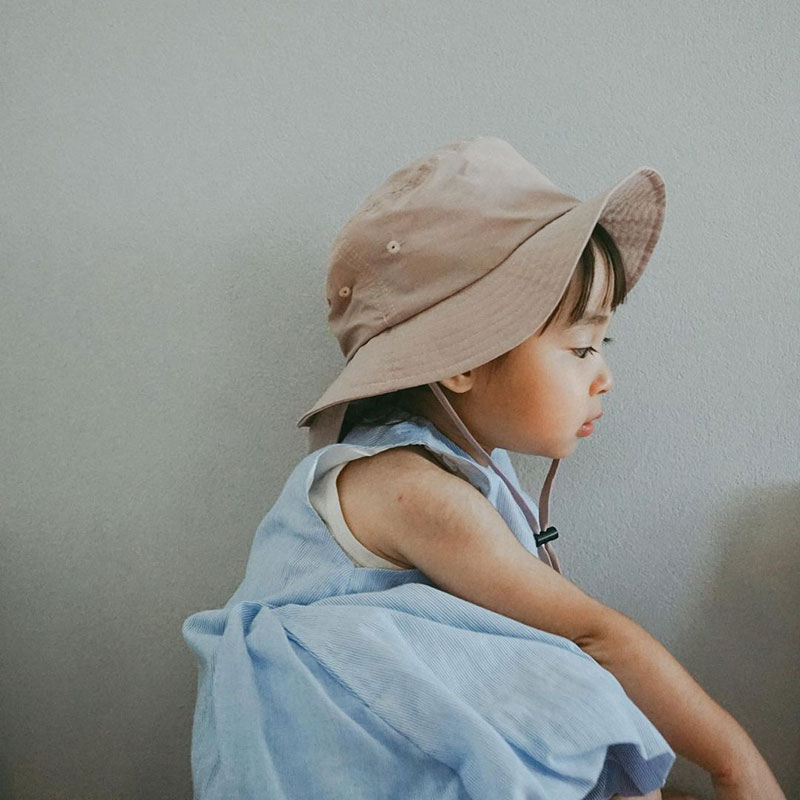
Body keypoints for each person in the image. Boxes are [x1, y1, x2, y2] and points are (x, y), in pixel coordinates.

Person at [182, 137, 786, 799]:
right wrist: (735, 764)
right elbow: (597, 636)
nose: (605, 376)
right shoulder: (411, 490)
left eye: (603, 341)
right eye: (581, 348)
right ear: (462, 360)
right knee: (575, 682)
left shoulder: (467, 468)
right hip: (336, 759)